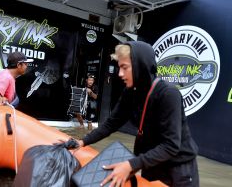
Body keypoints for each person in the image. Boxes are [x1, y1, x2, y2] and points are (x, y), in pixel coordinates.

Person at [77, 41, 199, 187]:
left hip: (178, 172)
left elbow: (171, 145)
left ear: (141, 65)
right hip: (151, 165)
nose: (120, 73)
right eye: (119, 67)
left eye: (125, 67)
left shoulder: (168, 94)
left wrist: (130, 165)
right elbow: (111, 124)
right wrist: (82, 141)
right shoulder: (130, 92)